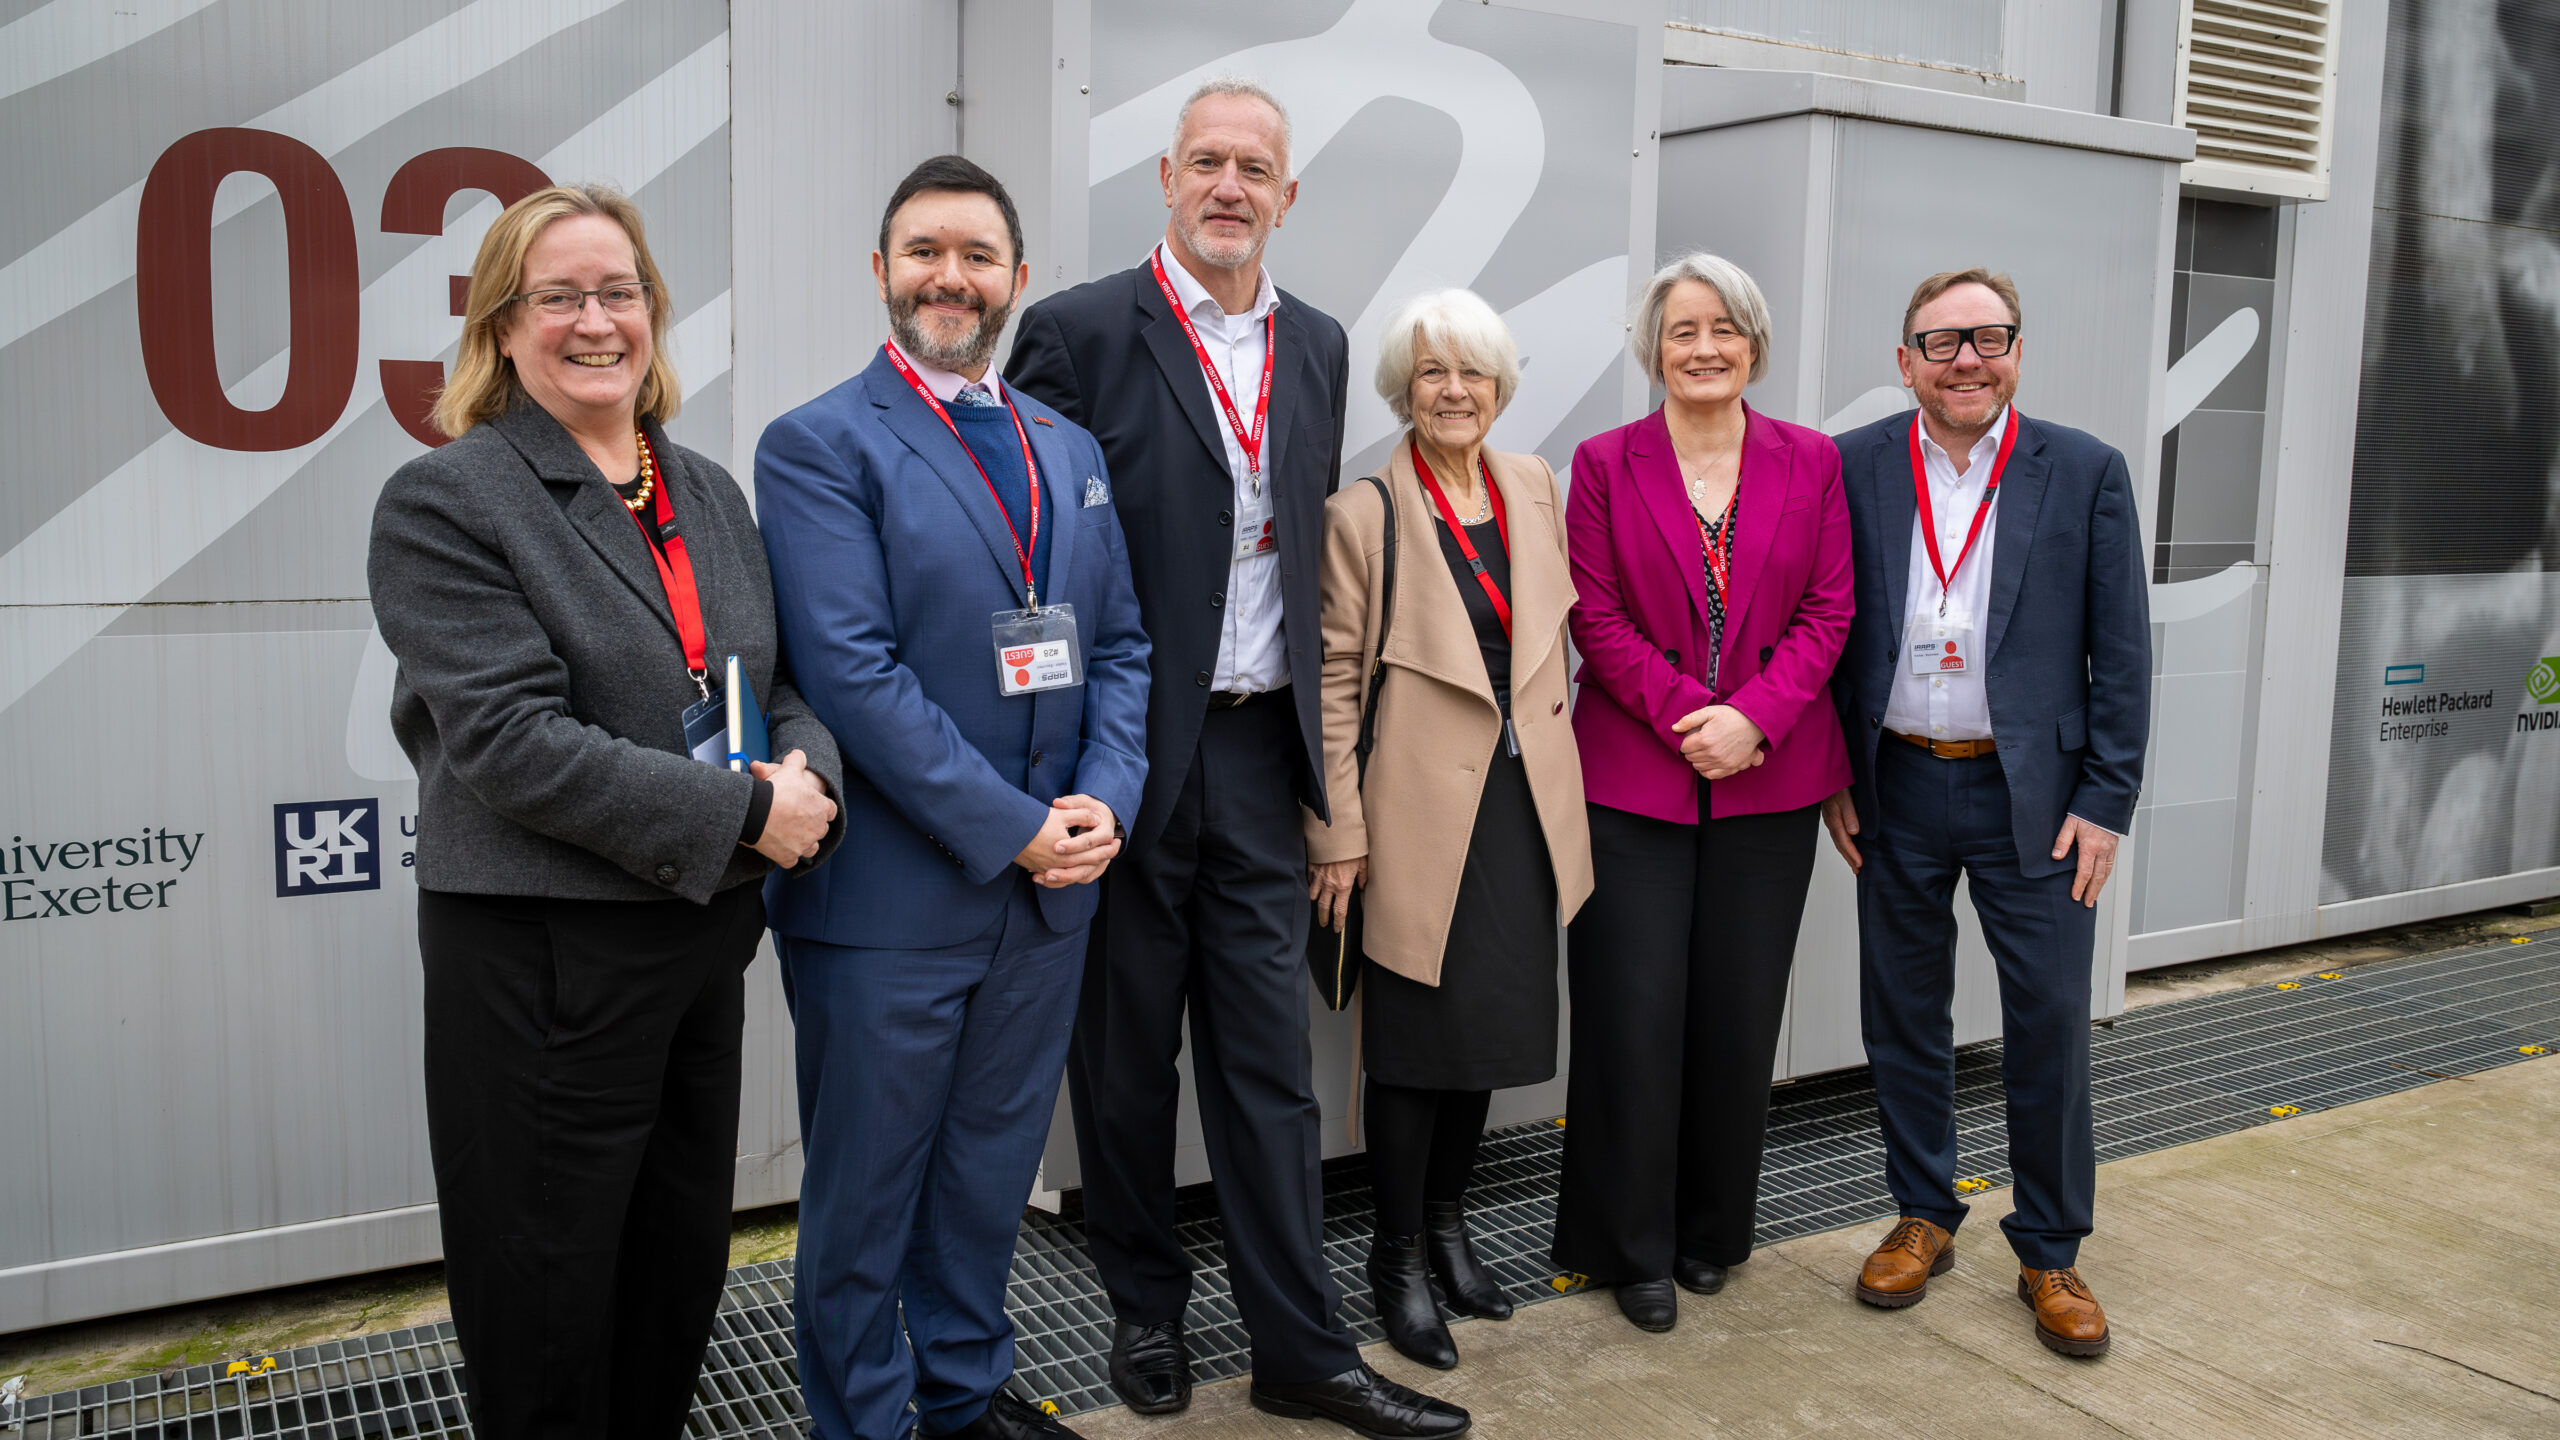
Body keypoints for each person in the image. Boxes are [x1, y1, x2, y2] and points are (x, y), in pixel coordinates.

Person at [1007, 78, 1469, 1439]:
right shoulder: (1081, 333)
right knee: (1128, 1058)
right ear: (1165, 177)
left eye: (1253, 167)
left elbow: (1305, 567)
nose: (1228, 185)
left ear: (1286, 193)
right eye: (1204, 161)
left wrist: (1333, 790)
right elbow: (1030, 566)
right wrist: (1055, 764)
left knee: (1271, 1069)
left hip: (1263, 755)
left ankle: (1298, 1348)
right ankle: (1147, 1311)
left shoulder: (1317, 344)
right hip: (1125, 756)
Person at [367, 183, 843, 1439]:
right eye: (559, 296)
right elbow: (513, 746)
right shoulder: (451, 500)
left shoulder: (704, 489)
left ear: (654, 313)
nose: (595, 321)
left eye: (618, 292)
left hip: (695, 941)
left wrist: (809, 781)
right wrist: (748, 811)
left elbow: (772, 684)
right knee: (546, 1296)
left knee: (672, 1274)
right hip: (543, 959)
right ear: (501, 329)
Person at [753, 156, 1151, 1440]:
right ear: (881, 272)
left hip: (1047, 903)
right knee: (868, 1195)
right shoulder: (819, 445)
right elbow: (852, 676)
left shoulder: (1068, 448)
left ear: (1017, 282)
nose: (950, 277)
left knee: (984, 1179)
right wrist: (1016, 828)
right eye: (924, 251)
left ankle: (964, 1395)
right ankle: (866, 1421)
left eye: (977, 255)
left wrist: (1104, 799)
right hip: (893, 904)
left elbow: (1124, 649)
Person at [1821, 268, 2149, 1359]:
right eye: (1942, 341)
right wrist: (1832, 772)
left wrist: (2106, 799)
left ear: (2016, 350)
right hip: (1897, 782)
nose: (1968, 359)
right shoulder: (1853, 465)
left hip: (2042, 802)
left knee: (2048, 1017)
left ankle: (2049, 1249)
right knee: (1902, 1013)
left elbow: (2124, 650)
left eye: (1989, 337)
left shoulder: (2084, 470)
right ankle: (1923, 1213)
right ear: (1903, 358)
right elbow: (1825, 628)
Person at [1549, 253, 1853, 1334]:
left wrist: (1756, 719)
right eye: (1682, 329)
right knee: (1631, 1019)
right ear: (1653, 349)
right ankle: (1627, 1245)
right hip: (1633, 780)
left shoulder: (1809, 462)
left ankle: (1711, 1231)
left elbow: (1829, 611)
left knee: (1736, 1017)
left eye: (1724, 327)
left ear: (1754, 344)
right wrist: (1696, 718)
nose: (1704, 346)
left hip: (1771, 785)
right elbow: (1592, 614)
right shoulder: (1601, 463)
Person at [1305, 289, 1591, 1370]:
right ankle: (1396, 1257)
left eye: (1472, 371)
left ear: (1501, 384)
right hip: (1416, 813)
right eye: (1431, 373)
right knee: (1416, 1048)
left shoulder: (1534, 485)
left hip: (1521, 808)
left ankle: (1451, 1226)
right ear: (1403, 390)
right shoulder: (1364, 515)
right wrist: (1334, 827)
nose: (1454, 391)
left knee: (1488, 1037)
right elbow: (1333, 686)